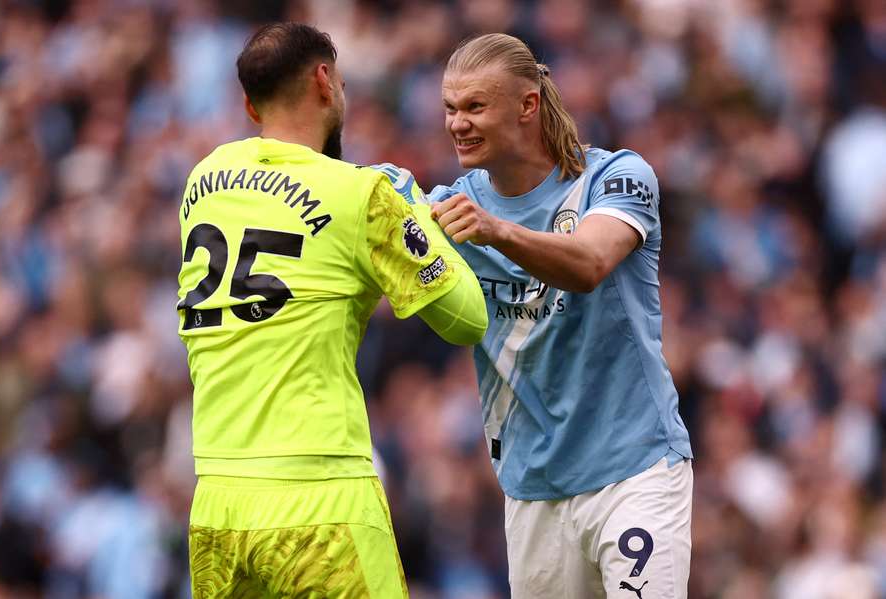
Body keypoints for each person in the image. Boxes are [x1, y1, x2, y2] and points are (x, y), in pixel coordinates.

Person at [176, 23, 487, 598]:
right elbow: (467, 319)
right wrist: (414, 215)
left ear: (250, 105)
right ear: (325, 81)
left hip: (216, 502)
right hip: (321, 498)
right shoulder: (363, 195)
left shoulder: (202, 182)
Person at [381, 33, 693, 598]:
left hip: (636, 472)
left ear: (527, 105)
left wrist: (496, 231)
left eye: (475, 106)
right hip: (533, 490)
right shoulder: (454, 207)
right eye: (450, 108)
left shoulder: (615, 179)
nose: (457, 123)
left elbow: (591, 261)